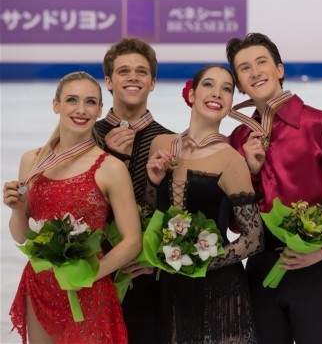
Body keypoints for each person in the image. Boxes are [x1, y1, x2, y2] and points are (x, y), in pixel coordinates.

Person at [226, 32, 322, 344]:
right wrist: (248, 171)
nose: (255, 71)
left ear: (279, 69)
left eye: (262, 62)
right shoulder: (237, 139)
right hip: (260, 271)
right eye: (244, 68)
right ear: (238, 82)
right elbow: (235, 221)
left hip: (314, 272)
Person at [3, 71, 141, 344]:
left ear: (100, 109)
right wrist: (17, 209)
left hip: (89, 288)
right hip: (40, 287)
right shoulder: (32, 160)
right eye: (72, 100)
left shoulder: (110, 168)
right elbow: (21, 237)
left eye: (90, 102)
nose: (81, 109)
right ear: (56, 105)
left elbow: (133, 240)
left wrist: (89, 275)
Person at [144, 64, 264, 343]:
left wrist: (197, 263)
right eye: (209, 85)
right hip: (169, 288)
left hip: (219, 291)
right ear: (191, 94)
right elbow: (150, 215)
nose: (217, 93)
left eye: (227, 89)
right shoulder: (161, 145)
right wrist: (152, 181)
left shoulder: (231, 159)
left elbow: (254, 238)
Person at [95, 37, 173, 343]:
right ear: (109, 81)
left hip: (146, 275)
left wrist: (155, 258)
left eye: (141, 71)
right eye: (123, 70)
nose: (132, 77)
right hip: (93, 270)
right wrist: (109, 158)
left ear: (152, 83)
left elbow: (172, 209)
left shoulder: (169, 140)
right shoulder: (88, 136)